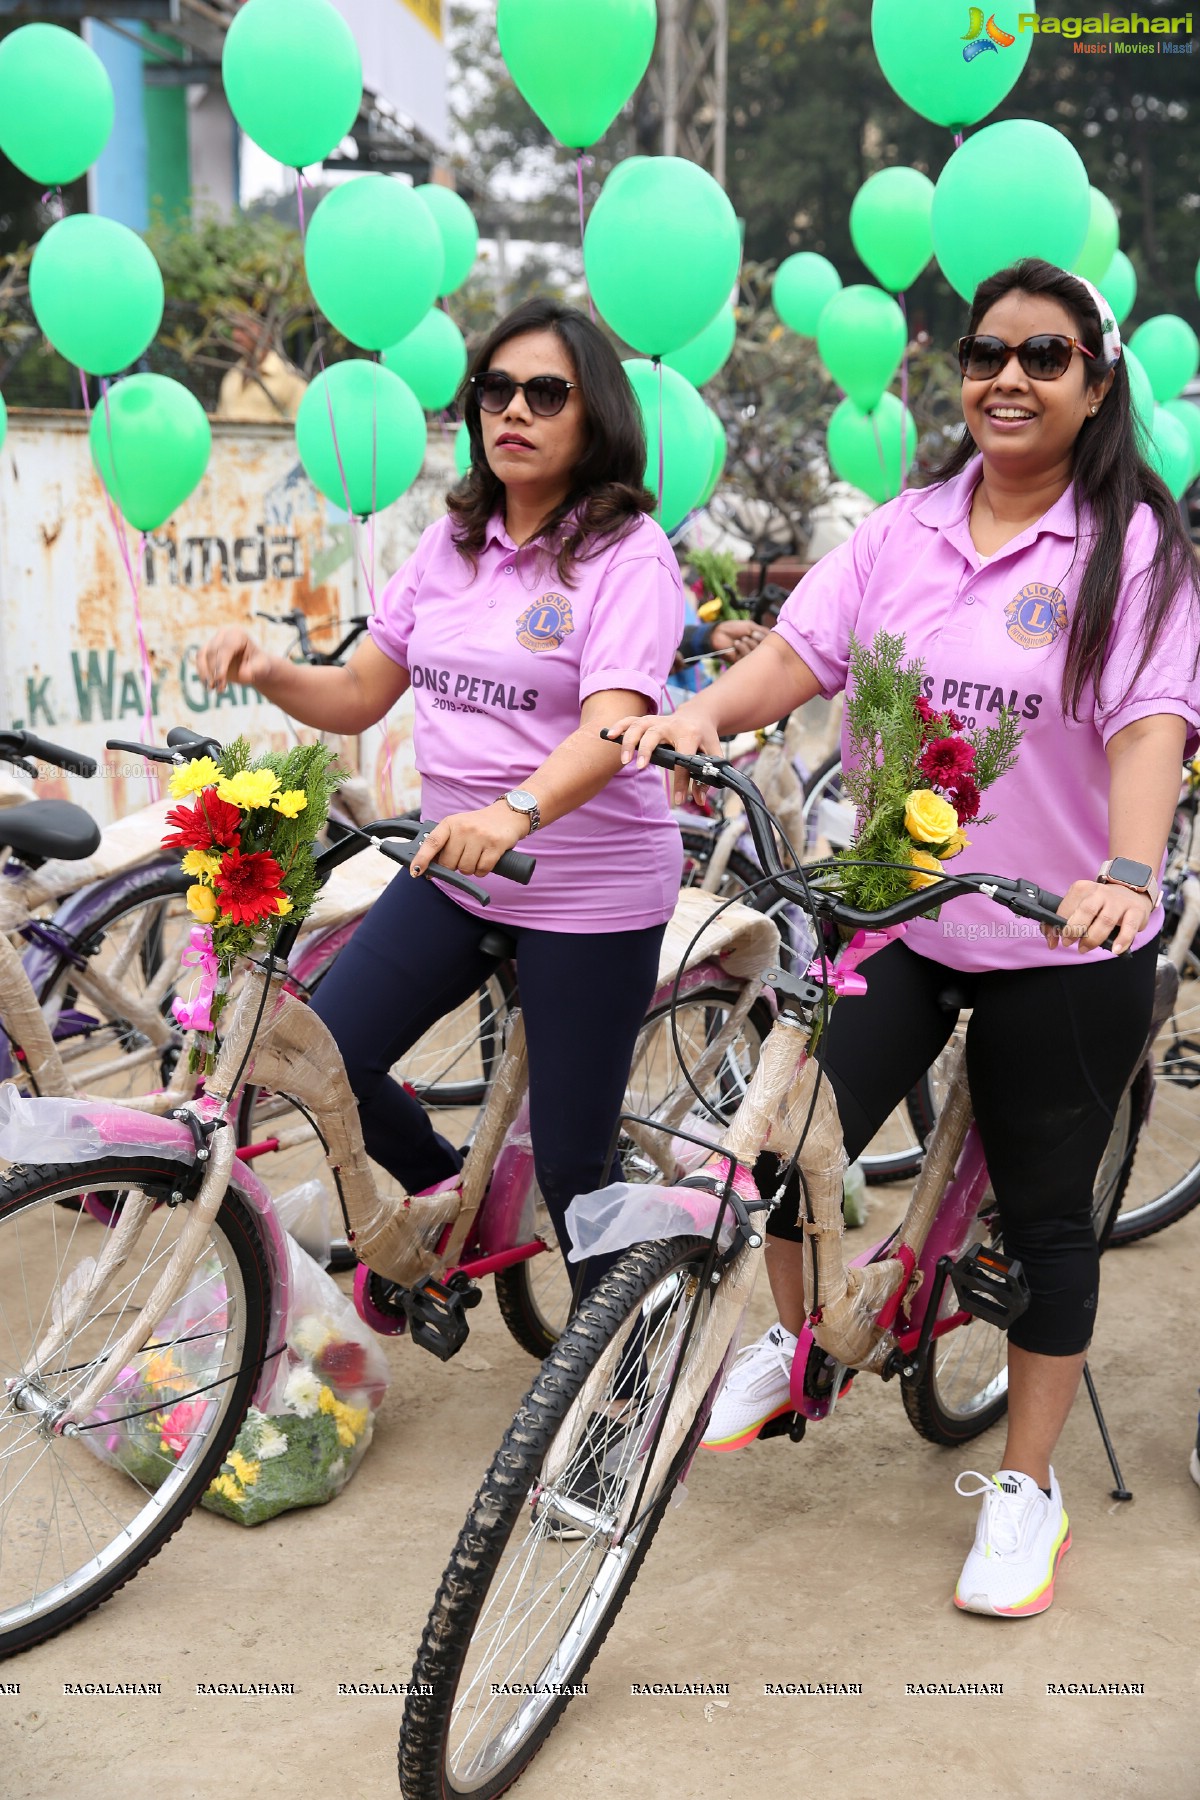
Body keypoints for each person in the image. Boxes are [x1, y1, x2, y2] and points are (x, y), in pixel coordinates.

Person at [610, 259, 1200, 1617]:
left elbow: (1151, 729)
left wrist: (1124, 870)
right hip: (899, 902)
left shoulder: (1135, 553)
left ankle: (1024, 1493)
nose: (1007, 377)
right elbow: (802, 657)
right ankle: (806, 1339)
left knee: (1050, 1225)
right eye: (987, 352)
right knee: (782, 1146)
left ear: (1096, 383)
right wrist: (707, 718)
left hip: (1063, 936)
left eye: (1043, 356)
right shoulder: (907, 528)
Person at [198, 298, 684, 1298]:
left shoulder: (626, 554)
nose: (514, 409)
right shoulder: (450, 542)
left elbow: (611, 724)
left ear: (594, 414)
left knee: (573, 1168)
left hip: (585, 889)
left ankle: (610, 1403)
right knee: (324, 1057)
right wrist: (268, 668)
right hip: (455, 869)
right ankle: (454, 1203)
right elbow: (361, 696)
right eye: (494, 390)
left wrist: (513, 812)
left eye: (545, 393)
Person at [215, 316, 308, 424]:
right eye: (234, 328)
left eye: (244, 329)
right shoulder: (232, 376)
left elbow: (301, 425)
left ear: (266, 332)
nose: (236, 335)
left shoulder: (289, 377)